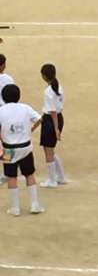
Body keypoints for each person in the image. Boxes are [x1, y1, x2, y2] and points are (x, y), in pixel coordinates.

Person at [0, 84, 44, 216]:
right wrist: (31, 129)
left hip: (8, 149)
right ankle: (35, 204)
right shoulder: (25, 108)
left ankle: (15, 208)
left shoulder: (1, 111)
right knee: (29, 175)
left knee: (11, 177)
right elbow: (39, 119)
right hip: (25, 147)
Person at [39, 64, 66, 189]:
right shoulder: (59, 86)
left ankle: (52, 180)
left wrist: (55, 129)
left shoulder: (48, 91)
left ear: (44, 76)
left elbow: (52, 111)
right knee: (51, 150)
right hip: (59, 118)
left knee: (48, 151)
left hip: (51, 121)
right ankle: (61, 176)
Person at [0, 54, 14, 184]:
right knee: (7, 143)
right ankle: (7, 171)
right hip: (6, 113)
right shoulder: (8, 79)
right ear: (3, 65)